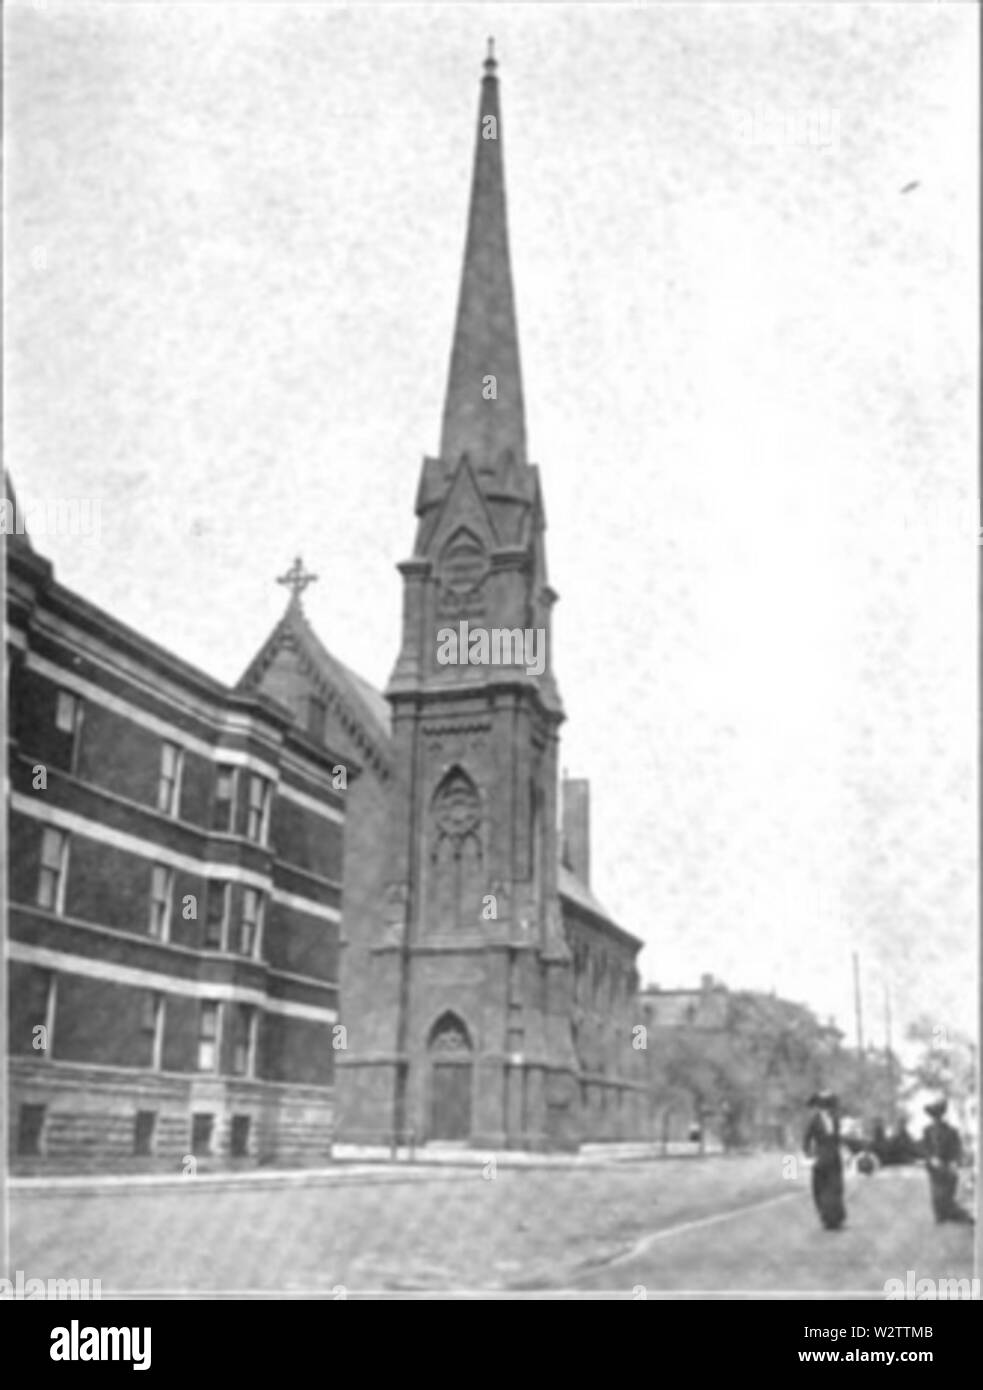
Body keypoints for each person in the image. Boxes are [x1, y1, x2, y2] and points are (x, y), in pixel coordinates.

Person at [922, 1100, 974, 1224]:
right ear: (931, 1117)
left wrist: (954, 1162)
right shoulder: (927, 1131)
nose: (936, 1118)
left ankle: (950, 1212)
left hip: (948, 1165)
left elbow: (957, 1148)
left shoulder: (951, 1131)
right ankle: (940, 1216)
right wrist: (931, 1159)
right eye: (934, 1116)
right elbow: (924, 1149)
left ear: (942, 1115)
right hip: (934, 1167)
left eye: (938, 1115)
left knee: (948, 1192)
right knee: (936, 1193)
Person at [804, 1091, 847, 1231]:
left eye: (828, 1105)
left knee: (836, 1187)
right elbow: (806, 1139)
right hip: (821, 1158)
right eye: (822, 1105)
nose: (826, 1108)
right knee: (821, 1189)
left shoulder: (835, 1119)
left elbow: (838, 1138)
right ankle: (827, 1218)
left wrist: (845, 1153)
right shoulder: (813, 1121)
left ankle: (837, 1219)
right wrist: (808, 1154)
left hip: (834, 1157)